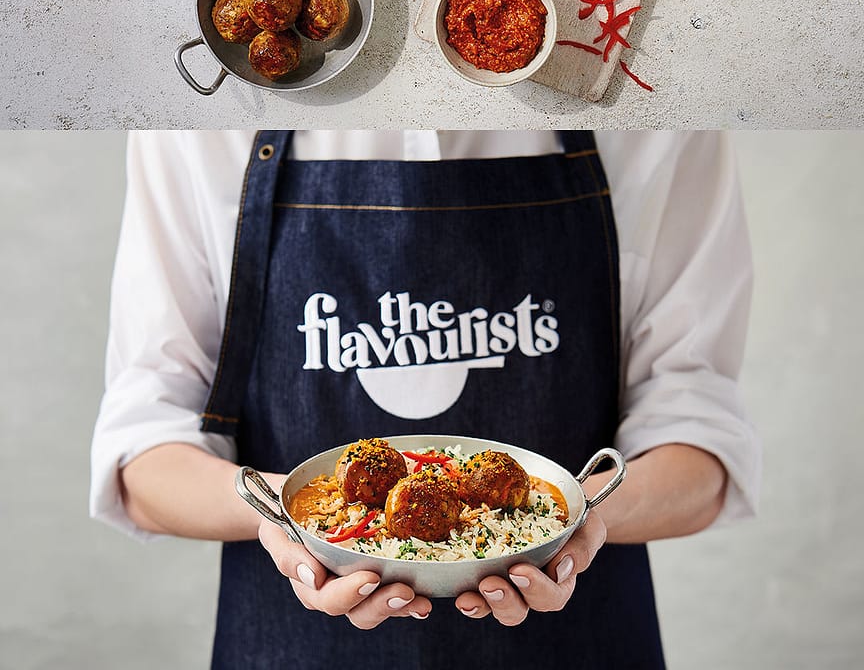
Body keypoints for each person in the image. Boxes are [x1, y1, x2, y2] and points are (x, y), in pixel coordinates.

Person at [90, 130, 760, 669]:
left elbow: (700, 443)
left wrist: (570, 518)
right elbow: (142, 458)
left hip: (579, 633)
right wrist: (291, 518)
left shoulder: (660, 118)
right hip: (290, 642)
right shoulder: (204, 124)